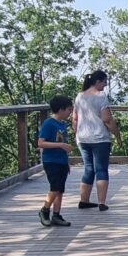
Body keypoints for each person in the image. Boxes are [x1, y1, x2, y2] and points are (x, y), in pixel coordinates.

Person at [73, 70, 122, 211]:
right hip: (100, 138)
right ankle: (101, 202)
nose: (105, 85)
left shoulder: (79, 96)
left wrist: (77, 133)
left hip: (83, 138)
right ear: (97, 82)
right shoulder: (101, 97)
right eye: (104, 82)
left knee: (88, 168)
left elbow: (75, 119)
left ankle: (84, 200)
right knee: (101, 169)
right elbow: (107, 119)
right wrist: (117, 135)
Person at [37, 95, 74, 227]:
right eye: (69, 109)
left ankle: (56, 215)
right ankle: (45, 210)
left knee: (60, 190)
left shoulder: (62, 125)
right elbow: (41, 143)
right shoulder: (49, 124)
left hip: (62, 161)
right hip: (51, 161)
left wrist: (67, 161)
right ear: (60, 109)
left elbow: (63, 143)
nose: (70, 112)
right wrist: (60, 145)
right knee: (55, 187)